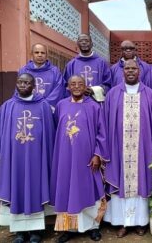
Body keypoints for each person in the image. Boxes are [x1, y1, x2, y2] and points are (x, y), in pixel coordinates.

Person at [103, 59, 152, 237]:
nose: (131, 71)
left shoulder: (149, 94)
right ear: (122, 72)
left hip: (144, 149)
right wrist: (103, 149)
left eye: (134, 68)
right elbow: (104, 123)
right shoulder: (112, 94)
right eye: (127, 68)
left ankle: (141, 222)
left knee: (142, 183)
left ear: (139, 72)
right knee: (120, 182)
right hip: (118, 149)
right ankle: (122, 223)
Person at [0, 73, 55, 243]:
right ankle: (19, 232)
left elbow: (50, 135)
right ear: (16, 84)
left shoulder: (44, 106)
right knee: (15, 188)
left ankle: (36, 231)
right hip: (13, 159)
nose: (23, 85)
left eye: (27, 82)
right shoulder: (7, 106)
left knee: (36, 189)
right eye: (20, 82)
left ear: (34, 86)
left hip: (37, 159)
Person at [50, 75, 108, 242]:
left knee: (89, 190)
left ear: (85, 87)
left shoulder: (94, 107)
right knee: (67, 190)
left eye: (80, 84)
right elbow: (57, 129)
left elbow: (102, 132)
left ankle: (93, 227)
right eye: (73, 84)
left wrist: (98, 154)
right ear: (67, 87)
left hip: (87, 159)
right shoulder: (61, 105)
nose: (76, 87)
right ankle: (68, 229)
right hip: (65, 158)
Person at [63, 33, 112, 102]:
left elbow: (108, 84)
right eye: (81, 41)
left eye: (86, 40)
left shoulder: (102, 63)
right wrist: (78, 91)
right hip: (77, 103)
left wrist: (94, 90)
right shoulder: (71, 64)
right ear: (77, 44)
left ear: (92, 44)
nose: (84, 43)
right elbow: (66, 86)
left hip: (97, 103)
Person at [18, 43, 65, 110]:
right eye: (37, 52)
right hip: (29, 107)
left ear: (46, 55)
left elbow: (59, 90)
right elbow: (20, 90)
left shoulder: (55, 71)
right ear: (32, 54)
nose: (40, 55)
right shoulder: (24, 71)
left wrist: (44, 104)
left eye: (42, 53)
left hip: (48, 108)